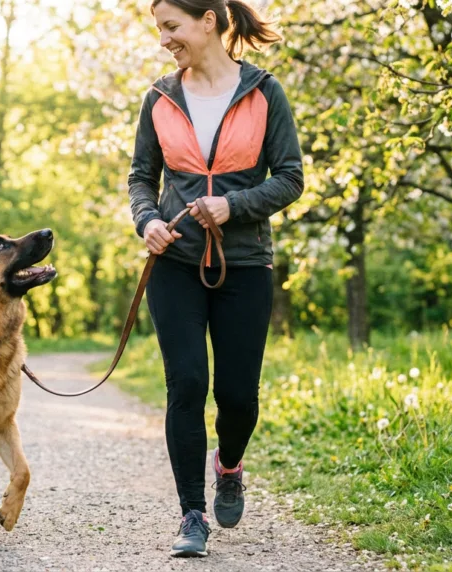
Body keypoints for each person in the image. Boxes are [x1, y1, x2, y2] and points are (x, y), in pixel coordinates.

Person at [126, 0, 304, 558]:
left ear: (209, 21)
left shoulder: (264, 92)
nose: (164, 40)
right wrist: (147, 220)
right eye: (160, 29)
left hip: (245, 263)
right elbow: (141, 178)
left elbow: (291, 178)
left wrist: (234, 205)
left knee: (236, 395)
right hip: (174, 263)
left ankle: (229, 466)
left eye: (171, 27)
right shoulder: (159, 97)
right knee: (185, 384)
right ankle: (192, 515)